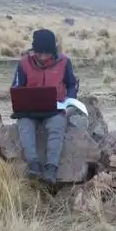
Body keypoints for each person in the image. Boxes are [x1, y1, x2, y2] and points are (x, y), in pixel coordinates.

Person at [11, 28, 79, 184]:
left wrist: (69, 102)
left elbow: (72, 85)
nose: (41, 57)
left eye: (45, 53)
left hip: (55, 109)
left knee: (57, 126)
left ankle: (51, 169)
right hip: (29, 110)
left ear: (53, 51)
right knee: (24, 126)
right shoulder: (23, 63)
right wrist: (20, 101)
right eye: (38, 53)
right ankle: (34, 165)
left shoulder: (64, 62)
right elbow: (16, 88)